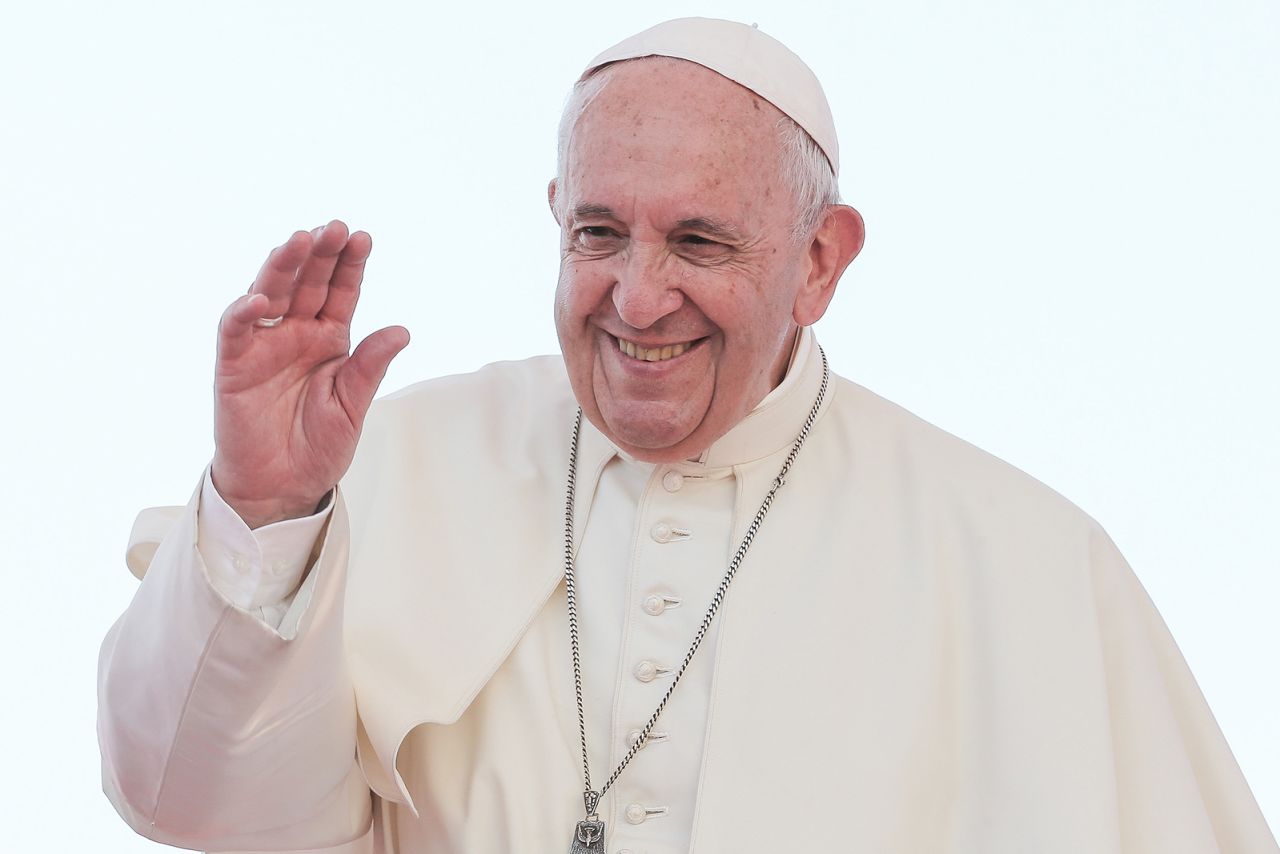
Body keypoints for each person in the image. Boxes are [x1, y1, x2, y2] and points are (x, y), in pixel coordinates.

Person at [98, 17, 1277, 854]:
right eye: (599, 233)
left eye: (700, 244)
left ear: (819, 261)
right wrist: (263, 511)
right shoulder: (387, 468)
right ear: (553, 219)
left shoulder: (1016, 557)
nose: (637, 297)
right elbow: (190, 804)